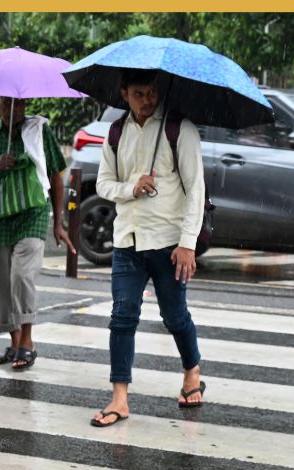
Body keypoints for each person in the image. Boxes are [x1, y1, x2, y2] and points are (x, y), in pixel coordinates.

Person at [90, 71, 207, 428]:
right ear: (124, 93)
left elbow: (196, 188)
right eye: (139, 94)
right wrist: (131, 187)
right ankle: (120, 398)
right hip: (128, 240)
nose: (147, 100)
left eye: (152, 93)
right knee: (122, 316)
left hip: (169, 242)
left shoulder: (179, 129)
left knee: (174, 317)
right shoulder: (115, 132)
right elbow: (103, 184)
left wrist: (188, 244)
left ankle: (192, 371)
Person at [0, 96, 74, 371]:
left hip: (32, 215)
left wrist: (58, 223)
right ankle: (14, 343)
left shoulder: (38, 131)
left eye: (21, 103)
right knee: (1, 282)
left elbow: (55, 176)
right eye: (7, 103)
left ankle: (27, 341)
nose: (15, 109)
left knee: (21, 276)